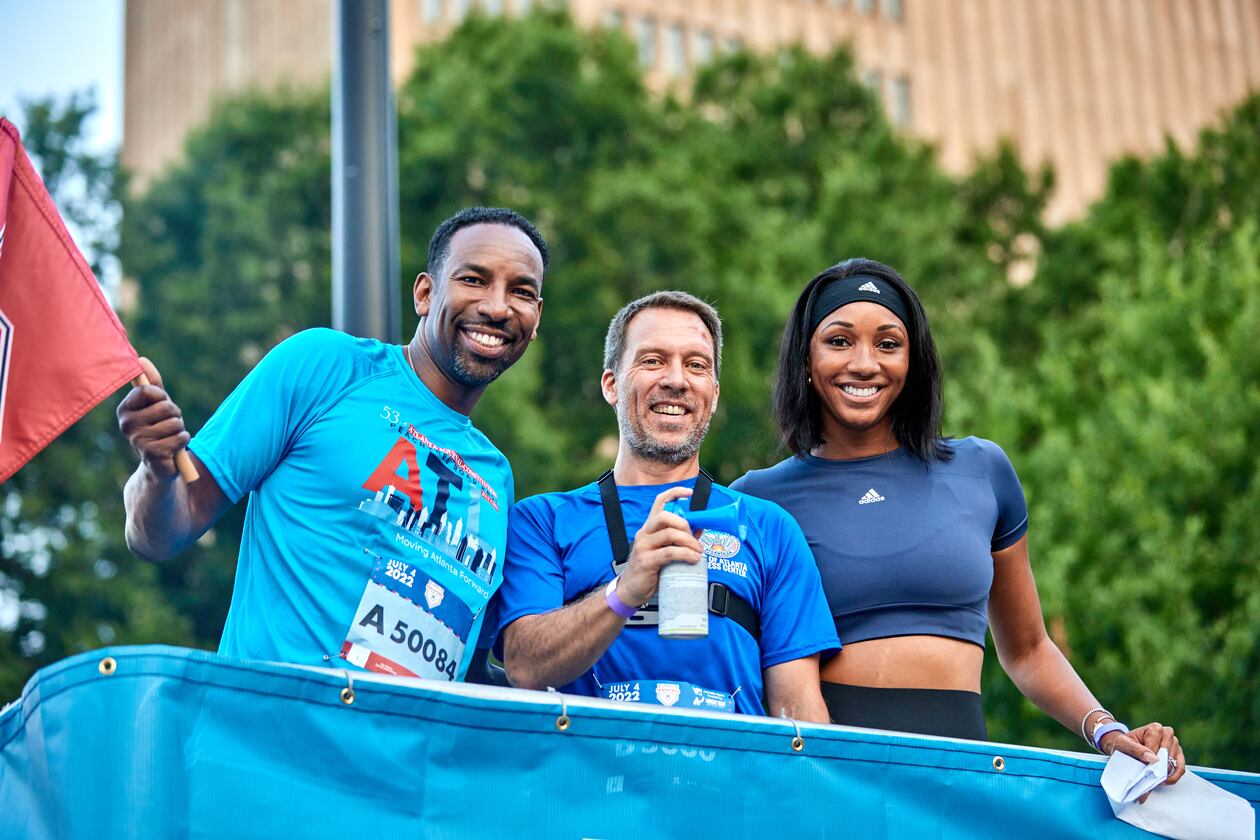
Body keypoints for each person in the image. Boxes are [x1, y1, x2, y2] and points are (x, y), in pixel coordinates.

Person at [731, 258, 1187, 779]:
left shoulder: (980, 470)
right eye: (838, 341)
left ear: (913, 362)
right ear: (806, 361)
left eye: (887, 343)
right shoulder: (756, 501)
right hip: (829, 774)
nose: (864, 363)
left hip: (961, 773)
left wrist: (1106, 731)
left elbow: (1029, 649)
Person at [117, 206, 547, 683]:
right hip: (263, 746)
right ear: (425, 294)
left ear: (536, 316)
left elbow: (474, 675)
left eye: (521, 292)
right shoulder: (324, 367)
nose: (497, 306)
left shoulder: (495, 476)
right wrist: (157, 471)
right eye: (473, 280)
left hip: (397, 758)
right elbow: (157, 534)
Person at [495, 291, 838, 721]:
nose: (676, 379)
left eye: (696, 365)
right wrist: (625, 591)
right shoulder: (542, 521)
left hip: (726, 783)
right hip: (587, 783)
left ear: (713, 395)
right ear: (611, 385)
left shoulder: (771, 530)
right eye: (653, 360)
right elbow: (524, 667)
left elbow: (798, 709)